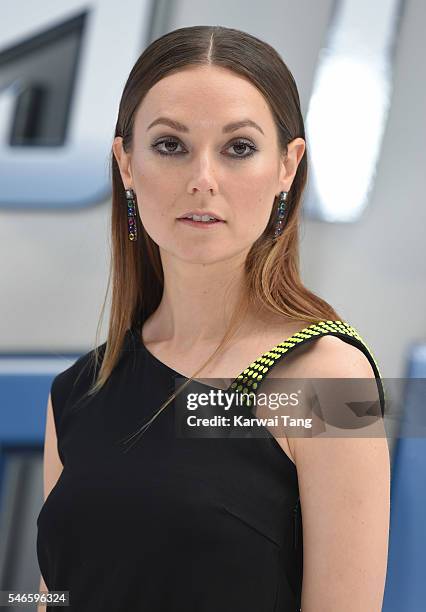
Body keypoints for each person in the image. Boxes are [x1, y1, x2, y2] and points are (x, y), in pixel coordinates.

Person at [36, 25, 390, 612]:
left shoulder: (326, 382)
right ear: (126, 162)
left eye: (239, 148)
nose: (203, 178)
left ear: (287, 167)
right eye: (170, 145)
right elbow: (49, 595)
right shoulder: (78, 391)